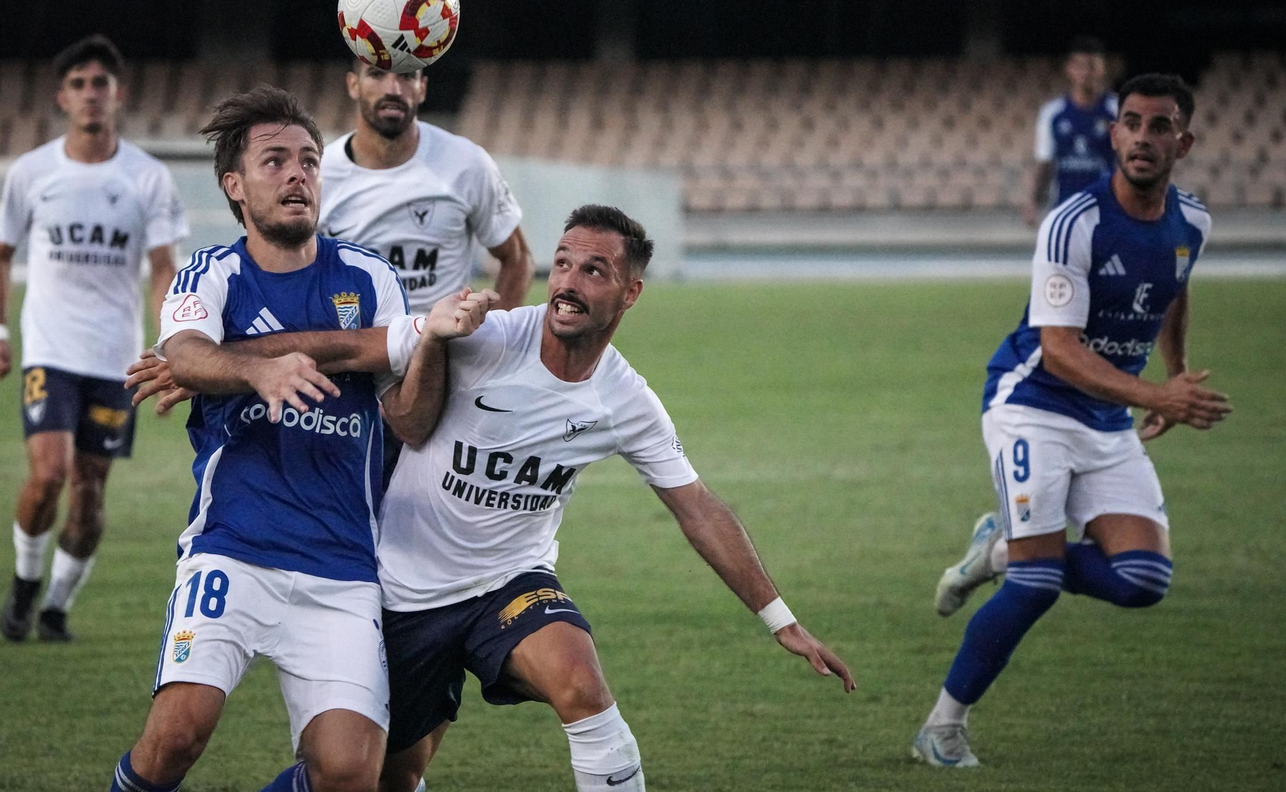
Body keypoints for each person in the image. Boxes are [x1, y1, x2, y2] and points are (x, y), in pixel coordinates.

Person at [129, 205, 856, 792]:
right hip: (402, 592)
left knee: (582, 685)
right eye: (563, 262)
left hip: (508, 584)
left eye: (594, 271)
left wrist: (780, 619)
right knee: (380, 775)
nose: (568, 282)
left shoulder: (624, 399)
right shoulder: (489, 338)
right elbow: (365, 362)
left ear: (629, 292)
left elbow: (697, 506)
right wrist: (208, 363)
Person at [107, 85, 495, 792]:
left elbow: (406, 418)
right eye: (275, 161)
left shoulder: (369, 276)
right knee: (173, 741)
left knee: (350, 773)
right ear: (235, 185)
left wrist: (430, 341)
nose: (297, 175)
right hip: (235, 546)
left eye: (310, 161)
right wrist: (258, 369)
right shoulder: (212, 273)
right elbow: (185, 356)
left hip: (341, 563)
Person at [916, 74, 1231, 768]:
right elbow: (1057, 348)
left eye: (1160, 126)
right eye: (1133, 123)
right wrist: (1157, 396)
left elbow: (1173, 291)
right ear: (1113, 134)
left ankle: (996, 551)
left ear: (1185, 141)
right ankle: (941, 728)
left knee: (1143, 578)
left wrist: (1176, 372)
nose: (1144, 138)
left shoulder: (1194, 221)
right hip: (1031, 405)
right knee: (1038, 583)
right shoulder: (1074, 222)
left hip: (1107, 415)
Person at [0, 34, 189, 643]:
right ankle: (24, 583)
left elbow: (161, 266)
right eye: (78, 84)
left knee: (91, 490)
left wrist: (167, 339)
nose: (90, 94)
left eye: (100, 83)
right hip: (49, 350)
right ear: (62, 97)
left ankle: (56, 606)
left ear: (117, 95)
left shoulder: (146, 178)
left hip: (113, 358)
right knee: (48, 474)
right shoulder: (32, 172)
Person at [322, 61, 535, 484]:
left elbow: (518, 258)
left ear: (423, 88)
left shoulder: (465, 164)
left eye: (406, 76)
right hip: (353, 383)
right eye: (377, 74)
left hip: (447, 382)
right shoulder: (320, 175)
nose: (393, 88)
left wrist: (490, 349)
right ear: (352, 84)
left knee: (436, 537)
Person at [1024, 37, 1118, 228]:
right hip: (1065, 212)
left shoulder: (1117, 110)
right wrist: (1032, 202)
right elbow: (1044, 162)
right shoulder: (1052, 113)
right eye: (1079, 66)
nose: (1085, 72)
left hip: (1108, 212)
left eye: (1091, 66)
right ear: (1069, 69)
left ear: (1101, 69)